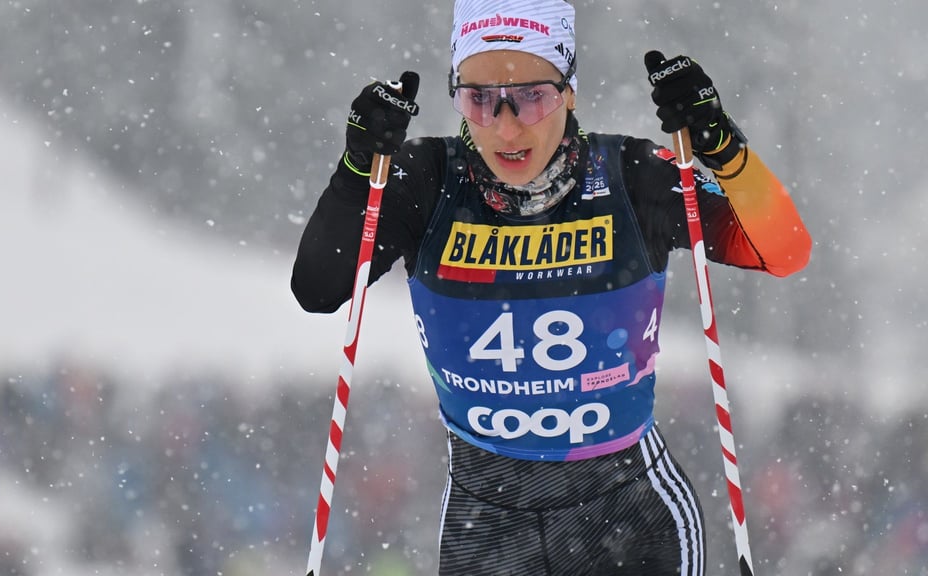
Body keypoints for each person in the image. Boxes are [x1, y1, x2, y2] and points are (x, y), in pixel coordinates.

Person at [292, 0, 811, 574]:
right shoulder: (429, 180)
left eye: (533, 96)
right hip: (484, 523)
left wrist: (724, 149)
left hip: (628, 515)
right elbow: (319, 287)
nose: (507, 125)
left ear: (569, 92)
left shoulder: (631, 177)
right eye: (480, 100)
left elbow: (783, 251)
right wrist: (357, 169)